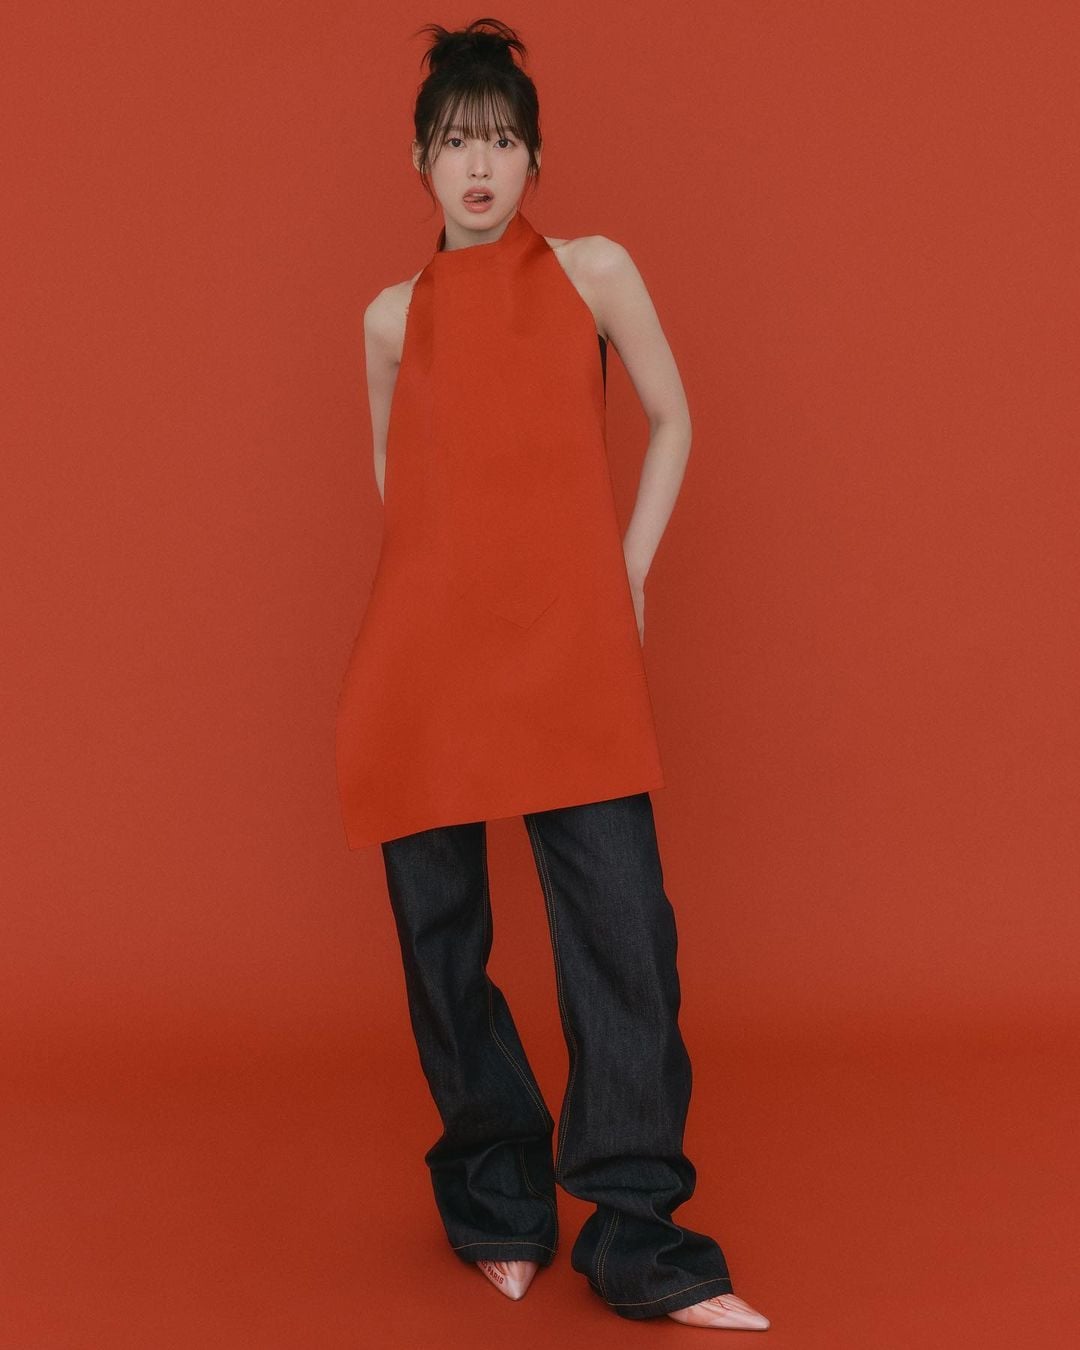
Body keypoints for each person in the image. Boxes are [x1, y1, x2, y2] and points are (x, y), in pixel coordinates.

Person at [335, 17, 770, 1331]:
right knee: (440, 940)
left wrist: (625, 570)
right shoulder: (391, 317)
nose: (480, 167)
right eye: (455, 143)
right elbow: (399, 491)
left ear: (535, 157)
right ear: (418, 161)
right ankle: (497, 1196)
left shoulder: (594, 270)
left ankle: (638, 1233)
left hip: (568, 649)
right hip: (424, 660)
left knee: (623, 935)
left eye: (502, 141)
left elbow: (674, 416)